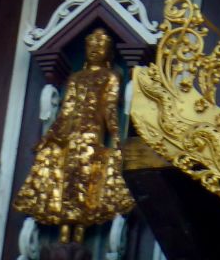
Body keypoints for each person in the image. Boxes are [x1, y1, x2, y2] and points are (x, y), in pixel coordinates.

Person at [13, 28, 134, 244]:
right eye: (91, 46)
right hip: (71, 136)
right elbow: (66, 110)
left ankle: (78, 232)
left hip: (91, 136)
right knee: (66, 178)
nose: (95, 50)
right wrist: (50, 136)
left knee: (85, 180)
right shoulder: (76, 78)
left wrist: (115, 136)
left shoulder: (111, 76)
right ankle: (63, 232)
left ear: (109, 52)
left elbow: (109, 108)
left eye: (101, 46)